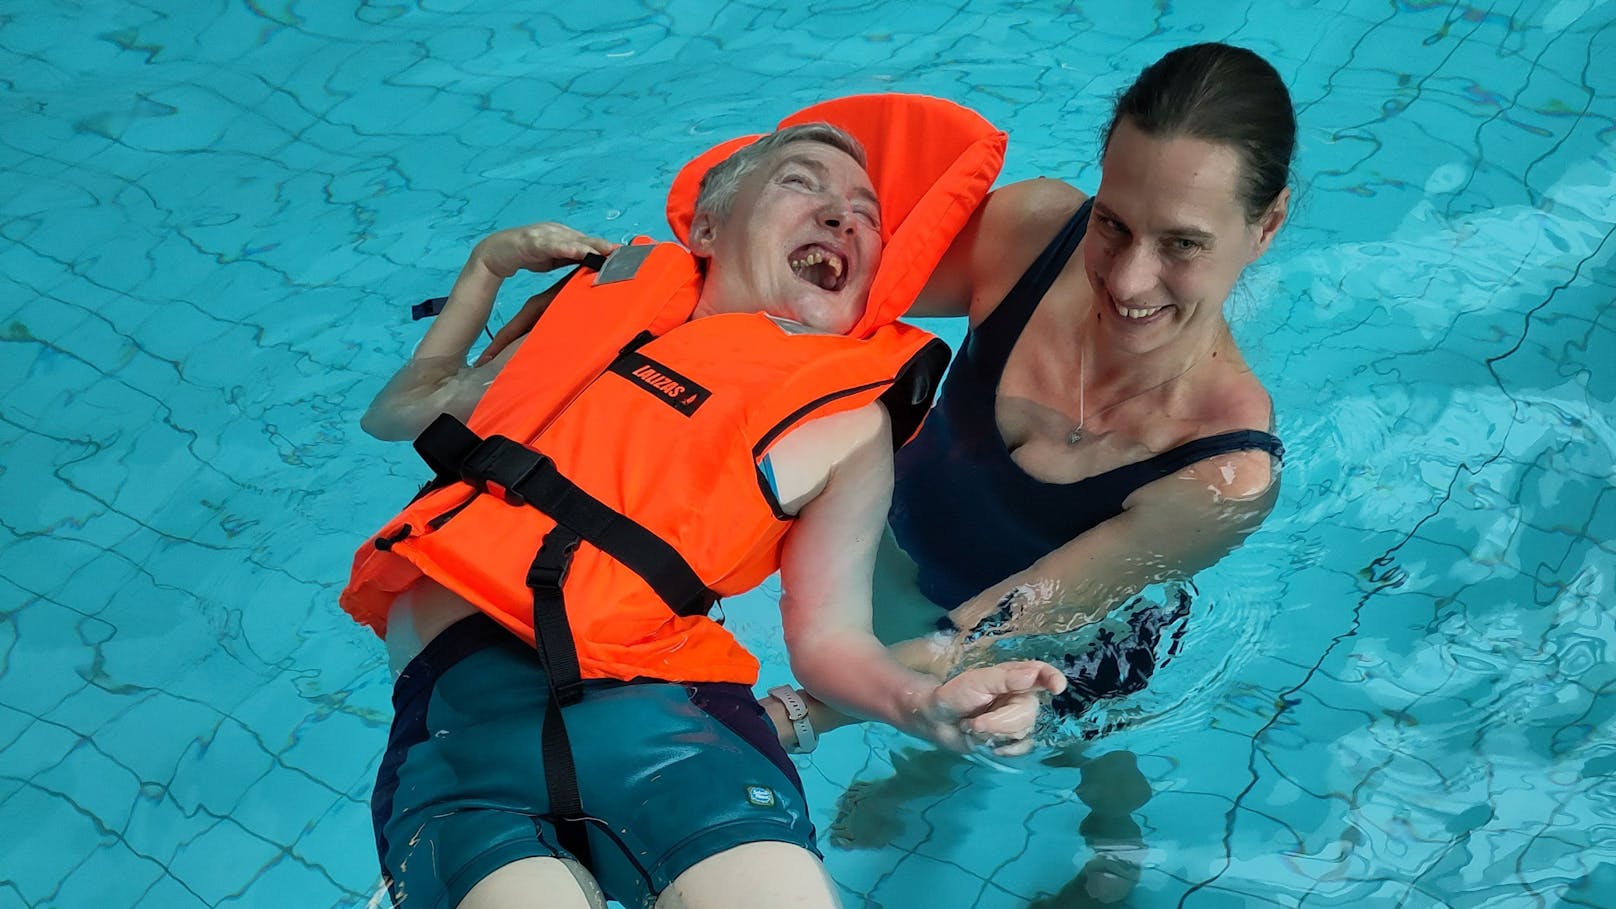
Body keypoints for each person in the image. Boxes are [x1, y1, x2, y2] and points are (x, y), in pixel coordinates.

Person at [341, 97, 1066, 909]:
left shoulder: (847, 423)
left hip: (665, 716)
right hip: (464, 723)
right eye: (803, 184)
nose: (842, 217)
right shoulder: (594, 308)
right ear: (710, 228)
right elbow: (402, 412)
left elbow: (829, 639)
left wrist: (928, 706)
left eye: (868, 217)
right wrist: (487, 267)